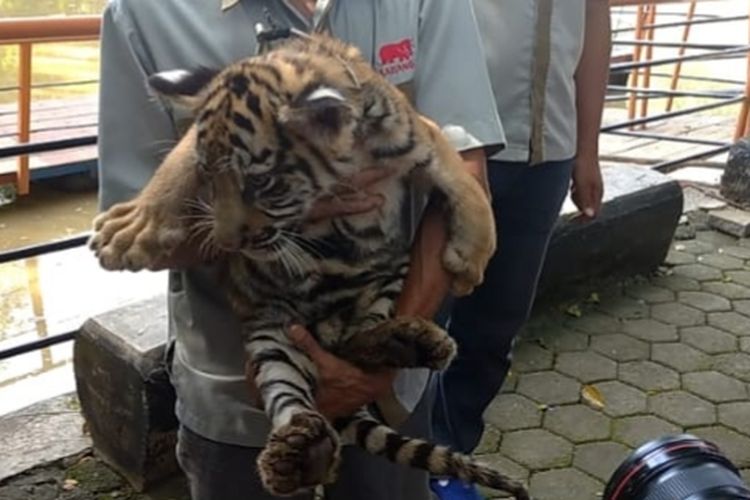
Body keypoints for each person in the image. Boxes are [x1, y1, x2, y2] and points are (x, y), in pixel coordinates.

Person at [96, 1, 504, 499]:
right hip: (237, 388)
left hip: (390, 373)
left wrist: (375, 369)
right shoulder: (143, 13)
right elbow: (132, 244)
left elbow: (464, 175)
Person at [430, 1, 611, 499]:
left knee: (496, 327)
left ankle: (449, 456)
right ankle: (397, 464)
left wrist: (588, 149)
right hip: (459, 149)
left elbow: (594, 23)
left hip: (548, 153)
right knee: (423, 321)